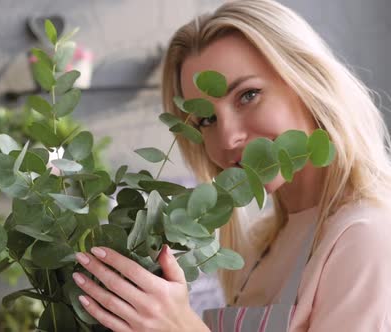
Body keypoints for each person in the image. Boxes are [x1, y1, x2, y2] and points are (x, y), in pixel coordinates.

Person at [72, 0, 391, 331]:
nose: (227, 138)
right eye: (206, 119)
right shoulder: (259, 245)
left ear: (307, 82)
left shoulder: (367, 236)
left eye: (248, 95)